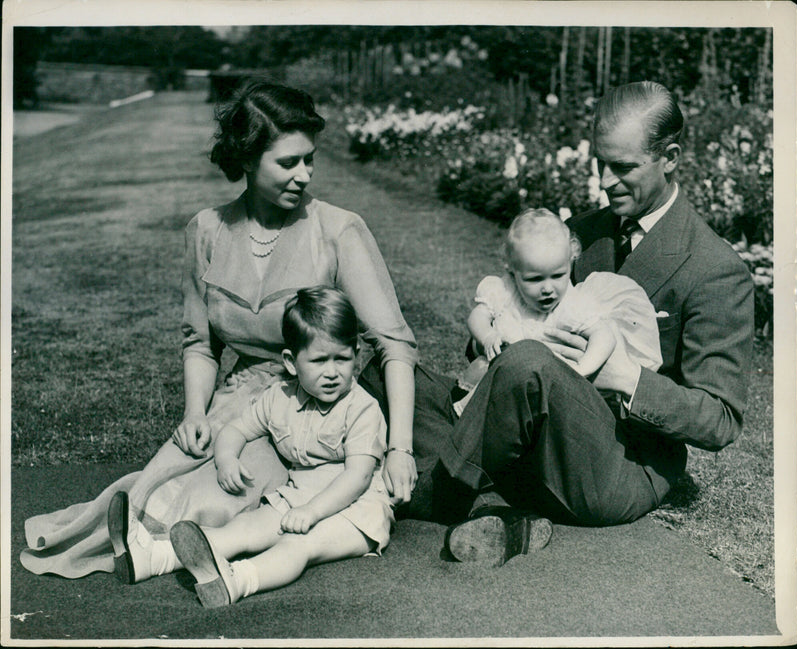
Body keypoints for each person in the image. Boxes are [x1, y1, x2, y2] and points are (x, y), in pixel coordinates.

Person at [20, 80, 418, 580]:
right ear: (248, 159)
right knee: (170, 468)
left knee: (222, 491)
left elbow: (393, 344)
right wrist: (194, 413)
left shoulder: (337, 229)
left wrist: (399, 449)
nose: (305, 175)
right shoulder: (206, 231)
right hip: (238, 400)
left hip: (311, 406)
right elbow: (200, 343)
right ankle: (135, 532)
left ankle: (157, 549)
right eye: (288, 162)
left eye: (309, 160)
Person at [403, 80, 754, 567]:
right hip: (538, 436)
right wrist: (495, 327)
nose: (605, 181)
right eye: (599, 163)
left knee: (526, 364)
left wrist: (626, 380)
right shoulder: (584, 233)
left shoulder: (714, 267)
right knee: (400, 377)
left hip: (621, 465)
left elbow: (721, 418)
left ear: (670, 158)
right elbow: (502, 342)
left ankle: (419, 490)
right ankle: (498, 511)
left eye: (624, 167)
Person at [119, 287, 394, 607]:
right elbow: (236, 429)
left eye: (342, 359)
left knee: (299, 544)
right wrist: (226, 459)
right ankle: (154, 558)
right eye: (319, 360)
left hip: (358, 513)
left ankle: (238, 580)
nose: (332, 372)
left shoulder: (362, 408)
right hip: (298, 499)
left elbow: (357, 478)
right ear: (292, 363)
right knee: (247, 526)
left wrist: (312, 511)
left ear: (356, 355)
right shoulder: (281, 397)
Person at [452, 207, 662, 416]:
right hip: (497, 379)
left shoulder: (570, 305)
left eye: (558, 276)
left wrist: (582, 369)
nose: (548, 289)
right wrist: (488, 336)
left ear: (571, 260)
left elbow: (604, 335)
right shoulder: (505, 289)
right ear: (512, 269)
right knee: (478, 380)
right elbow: (478, 315)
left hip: (542, 392)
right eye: (534, 279)